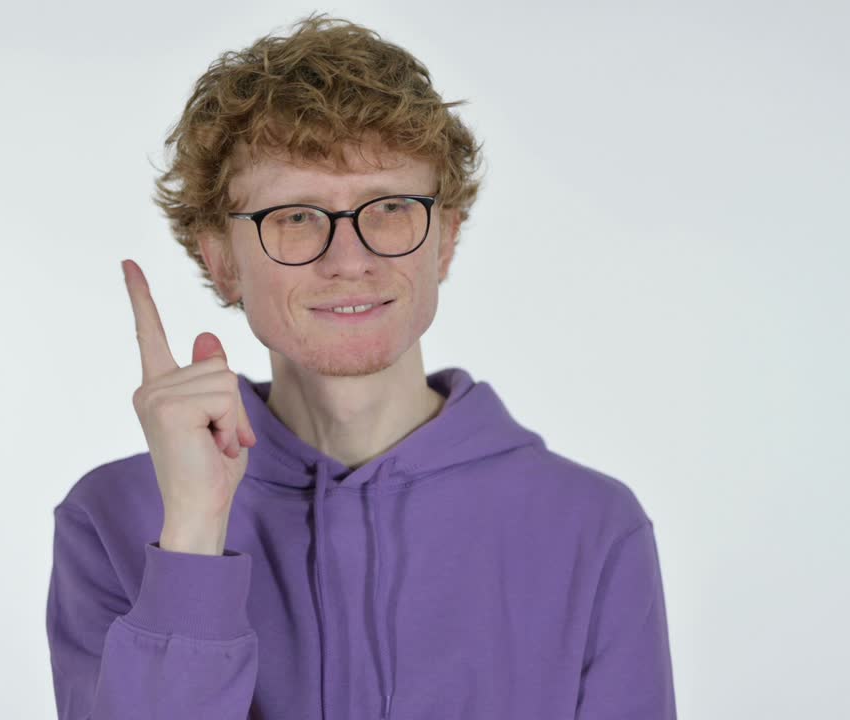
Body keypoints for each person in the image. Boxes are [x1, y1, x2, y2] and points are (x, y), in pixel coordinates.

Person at [45, 14, 676, 720]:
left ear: (444, 242)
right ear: (222, 261)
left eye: (393, 209)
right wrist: (191, 534)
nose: (350, 260)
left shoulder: (590, 526)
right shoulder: (114, 518)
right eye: (295, 217)